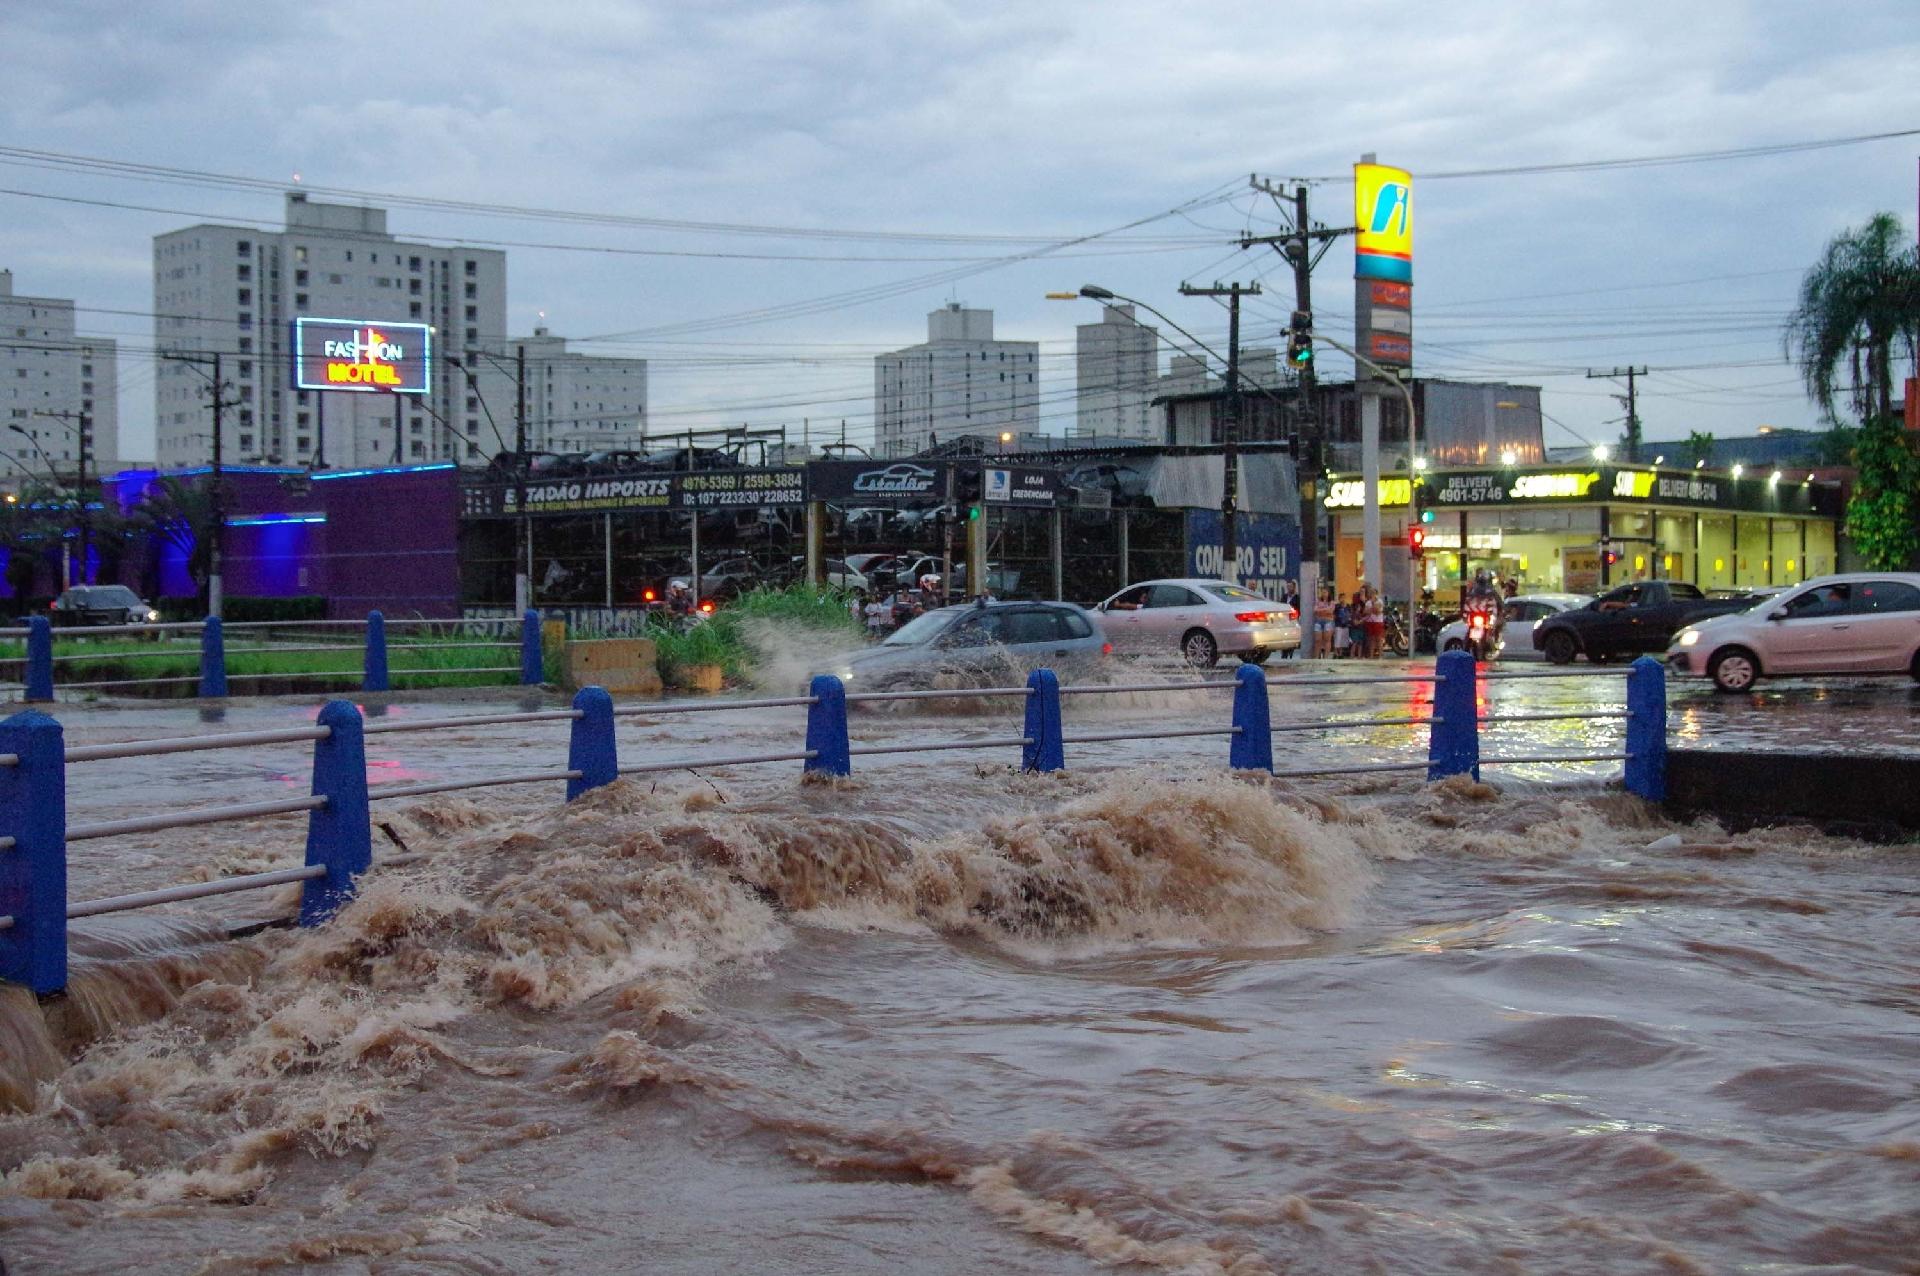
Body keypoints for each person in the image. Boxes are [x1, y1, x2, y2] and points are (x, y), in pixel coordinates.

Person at [1313, 585, 1336, 659]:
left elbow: (1331, 611)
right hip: (1318, 621)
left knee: (1327, 639)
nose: (1323, 594)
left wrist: (1321, 610)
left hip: (1328, 621)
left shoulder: (1332, 602)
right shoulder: (1318, 601)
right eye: (1322, 592)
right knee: (1317, 640)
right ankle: (1316, 657)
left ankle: (1326, 658)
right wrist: (1325, 609)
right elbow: (1315, 610)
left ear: (1328, 593)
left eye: (1325, 592)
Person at [1363, 588, 1386, 659]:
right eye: (1371, 593)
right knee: (1371, 639)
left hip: (1378, 622)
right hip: (1370, 622)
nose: (1372, 594)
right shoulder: (1368, 602)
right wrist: (1373, 609)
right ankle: (1371, 655)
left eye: (1373, 593)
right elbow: (1365, 612)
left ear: (1376, 594)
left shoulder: (1380, 601)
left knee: (1379, 639)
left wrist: (1372, 607)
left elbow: (1378, 612)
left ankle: (1380, 655)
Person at [1332, 594, 1352, 658]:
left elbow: (1350, 614)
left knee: (1343, 640)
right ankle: (1335, 653)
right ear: (1339, 598)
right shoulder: (1337, 606)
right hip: (1338, 624)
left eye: (1344, 598)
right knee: (1337, 639)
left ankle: (1340, 653)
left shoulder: (1348, 606)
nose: (1343, 599)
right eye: (1341, 598)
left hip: (1345, 625)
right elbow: (1334, 615)